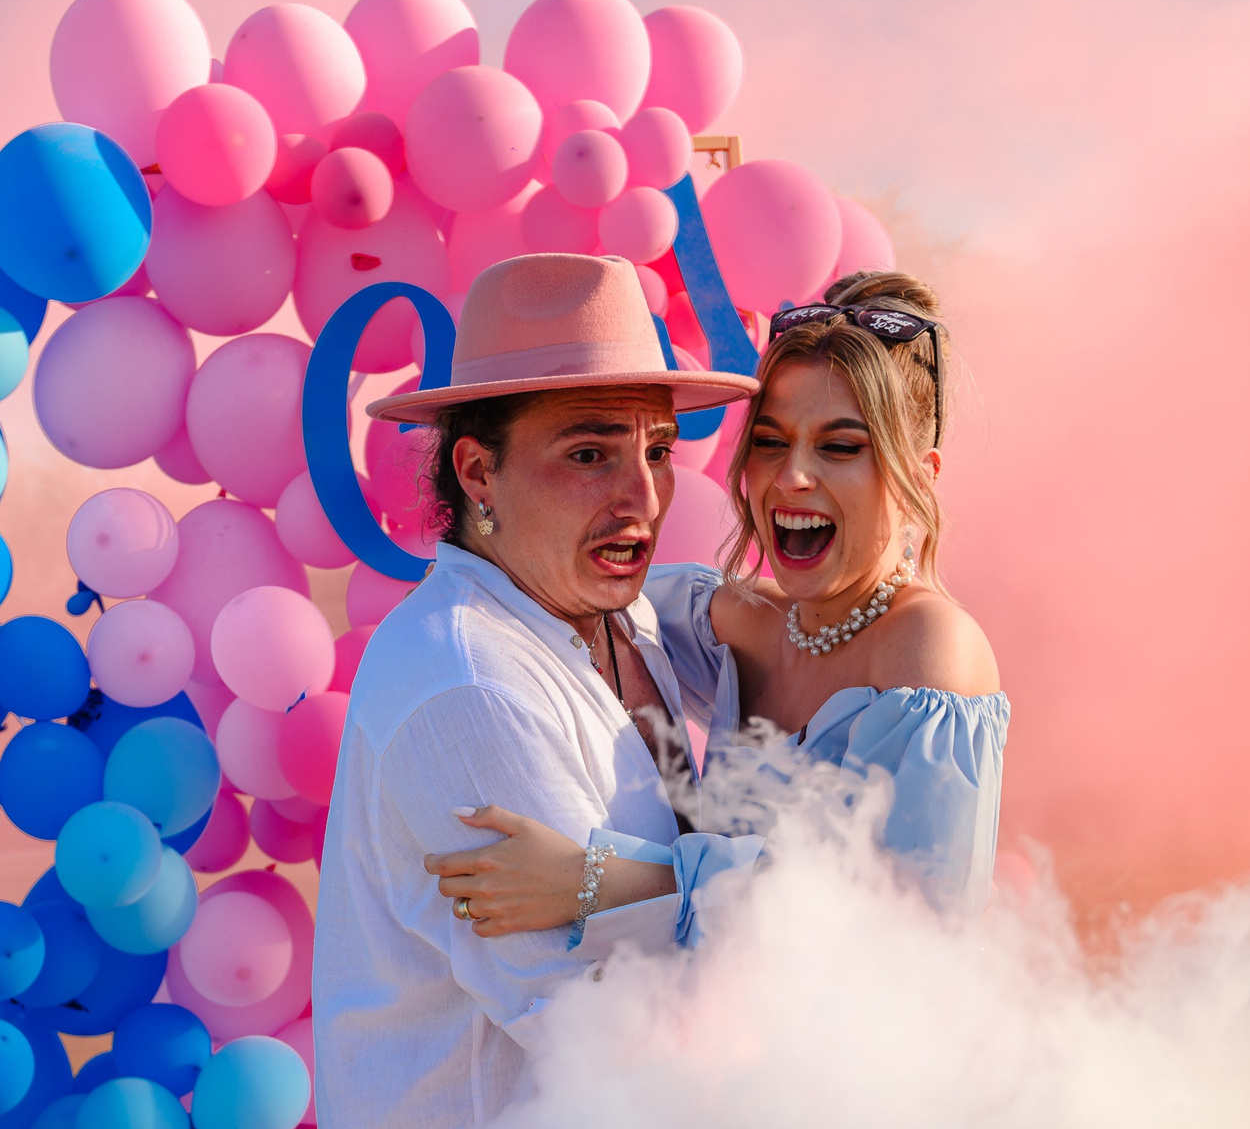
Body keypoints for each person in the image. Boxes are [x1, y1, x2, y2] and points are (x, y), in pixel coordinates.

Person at [308, 254, 757, 1129]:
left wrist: (627, 873)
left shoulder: (602, 626)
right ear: (474, 473)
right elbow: (608, 1033)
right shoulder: (470, 687)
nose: (640, 492)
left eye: (657, 448)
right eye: (585, 452)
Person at [424, 271, 1007, 943]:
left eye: (840, 446)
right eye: (770, 441)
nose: (791, 476)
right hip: (707, 1036)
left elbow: (898, 925)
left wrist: (596, 881)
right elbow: (553, 579)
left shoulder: (930, 648)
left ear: (919, 479)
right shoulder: (725, 621)